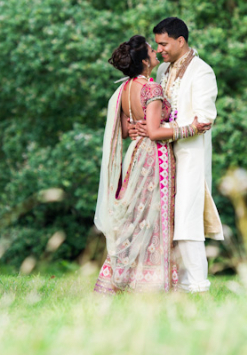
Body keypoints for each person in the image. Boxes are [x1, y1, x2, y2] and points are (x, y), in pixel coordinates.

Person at [94, 35, 209, 293]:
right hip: (155, 157)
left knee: (135, 216)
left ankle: (124, 274)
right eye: (151, 50)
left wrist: (138, 127)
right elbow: (156, 133)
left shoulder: (125, 89)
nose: (156, 52)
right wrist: (190, 128)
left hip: (135, 154)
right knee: (155, 216)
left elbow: (126, 131)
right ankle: (153, 281)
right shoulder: (151, 88)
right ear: (145, 61)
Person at [133, 17, 224, 293]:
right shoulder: (162, 70)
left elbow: (204, 119)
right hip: (161, 157)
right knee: (166, 217)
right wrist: (143, 127)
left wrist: (161, 131)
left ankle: (196, 283)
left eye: (163, 44)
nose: (159, 49)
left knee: (187, 216)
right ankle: (173, 281)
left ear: (180, 41)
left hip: (190, 155)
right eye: (157, 44)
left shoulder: (202, 71)